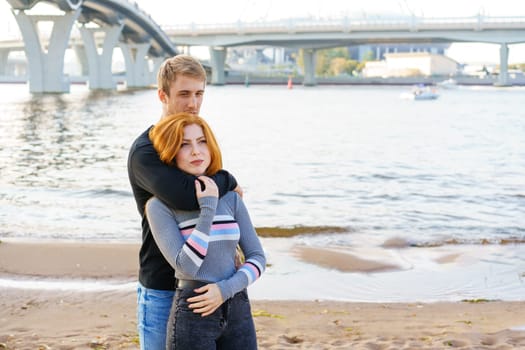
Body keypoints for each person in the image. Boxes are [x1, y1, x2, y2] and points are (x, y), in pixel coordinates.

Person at [127, 55, 241, 349]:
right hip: (163, 287)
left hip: (209, 287)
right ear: (162, 95)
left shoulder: (196, 142)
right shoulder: (146, 151)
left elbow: (219, 205)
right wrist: (228, 179)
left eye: (199, 93)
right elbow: (188, 196)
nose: (193, 103)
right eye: (184, 94)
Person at [145, 112, 265, 349]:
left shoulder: (231, 198)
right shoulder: (158, 207)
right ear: (171, 153)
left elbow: (258, 258)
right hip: (194, 310)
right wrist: (207, 208)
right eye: (184, 145)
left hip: (237, 305)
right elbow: (186, 266)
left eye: (202, 142)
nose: (196, 151)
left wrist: (226, 289)